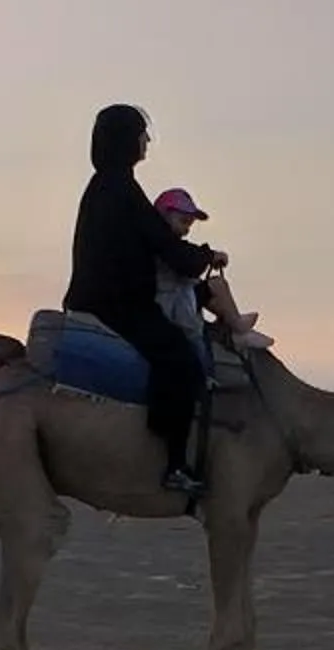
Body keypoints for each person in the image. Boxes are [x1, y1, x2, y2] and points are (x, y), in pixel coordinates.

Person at [62, 105, 223, 494]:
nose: (147, 141)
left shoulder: (107, 187)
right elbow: (169, 249)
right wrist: (207, 256)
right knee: (181, 361)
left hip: (106, 300)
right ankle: (173, 466)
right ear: (126, 139)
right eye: (142, 134)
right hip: (116, 306)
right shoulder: (121, 189)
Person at [151, 187, 271, 350]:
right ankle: (239, 327)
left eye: (189, 224)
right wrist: (210, 256)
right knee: (216, 284)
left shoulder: (165, 242)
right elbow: (186, 259)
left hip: (171, 301)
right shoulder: (164, 244)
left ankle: (231, 328)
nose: (187, 229)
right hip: (167, 304)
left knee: (202, 287)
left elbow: (187, 255)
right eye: (184, 221)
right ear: (165, 214)